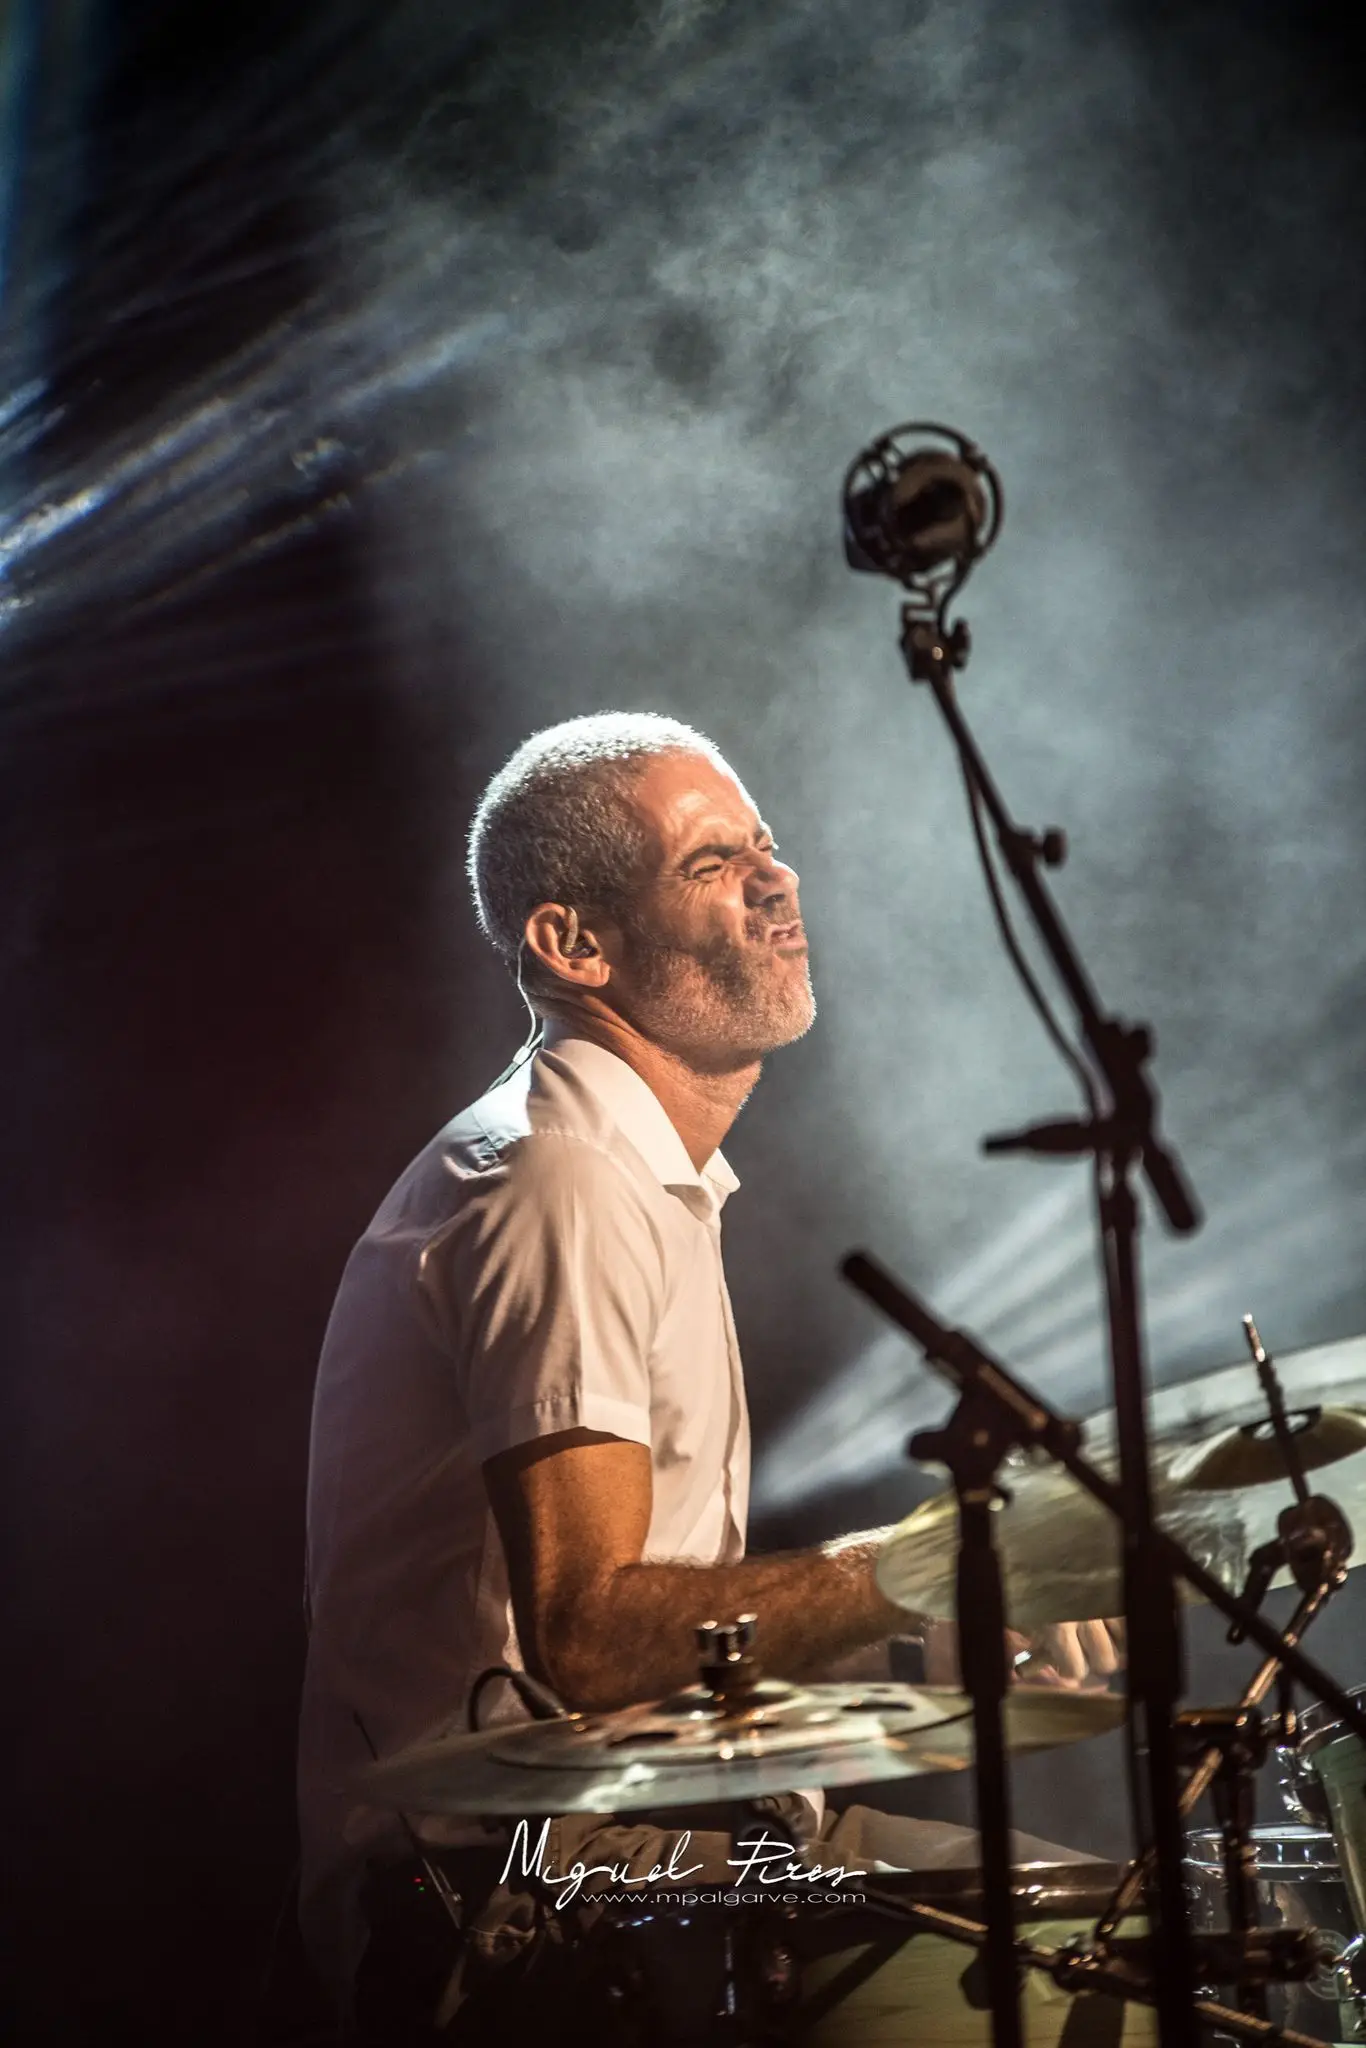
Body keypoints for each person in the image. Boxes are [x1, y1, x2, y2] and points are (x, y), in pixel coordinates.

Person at [298, 712, 1119, 2043]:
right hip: (516, 1902)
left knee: (1122, 1925)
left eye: (766, 847)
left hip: (639, 1852)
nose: (776, 881)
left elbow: (665, 1650)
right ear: (573, 944)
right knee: (1127, 1968)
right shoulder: (556, 1179)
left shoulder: (630, 1171)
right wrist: (916, 1569)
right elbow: (593, 1636)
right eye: (710, 863)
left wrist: (935, 1624)